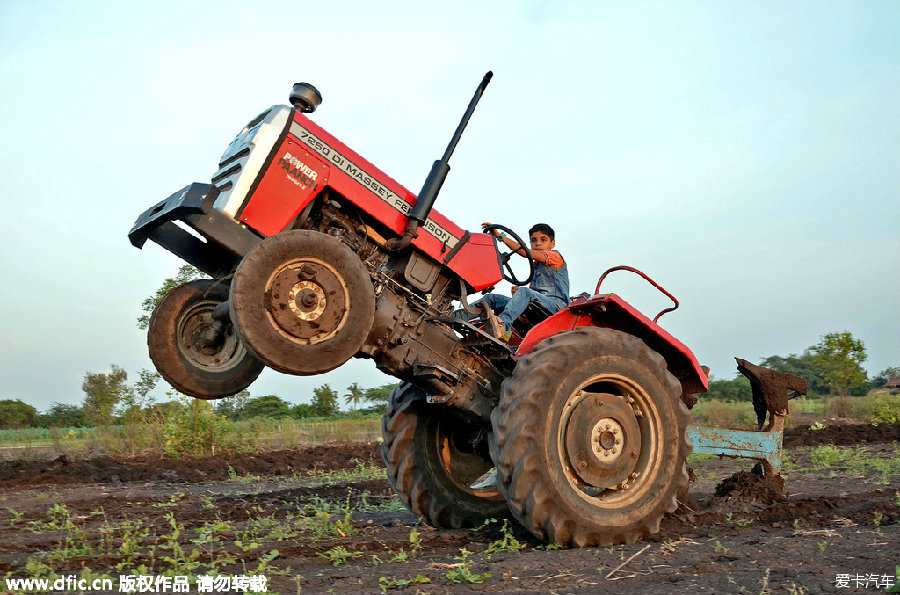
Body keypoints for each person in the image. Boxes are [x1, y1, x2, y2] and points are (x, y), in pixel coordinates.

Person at [455, 222, 569, 339]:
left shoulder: (555, 257)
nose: (538, 243)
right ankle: (456, 318)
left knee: (524, 292)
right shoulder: (536, 266)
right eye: (534, 241)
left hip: (555, 307)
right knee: (492, 298)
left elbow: (525, 252)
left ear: (552, 243)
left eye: (543, 240)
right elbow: (534, 293)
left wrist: (501, 236)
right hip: (536, 303)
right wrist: (518, 296)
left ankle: (502, 324)